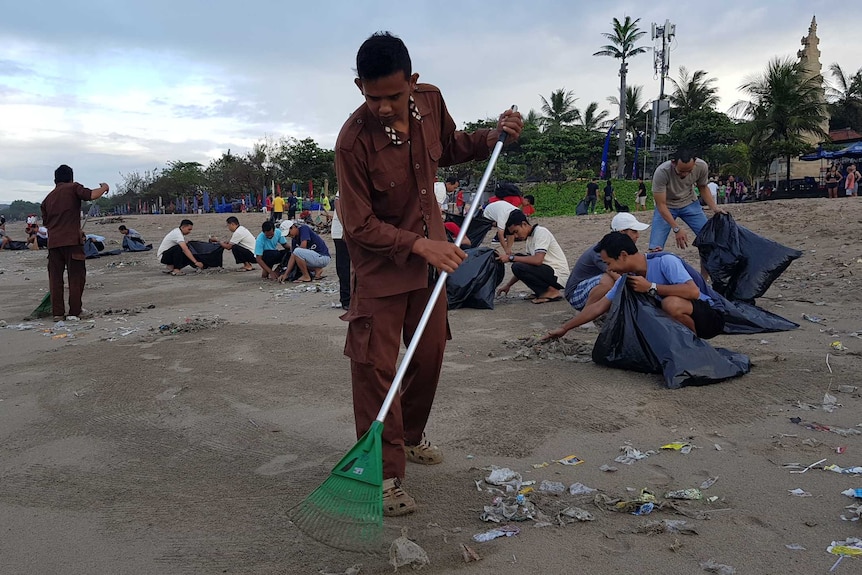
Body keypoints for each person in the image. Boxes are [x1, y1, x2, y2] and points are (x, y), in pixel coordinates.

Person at [335, 31, 522, 516]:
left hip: (430, 254)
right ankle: (385, 473)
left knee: (431, 351)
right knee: (375, 367)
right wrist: (419, 244)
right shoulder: (352, 142)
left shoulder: (430, 101)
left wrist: (490, 138)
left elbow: (454, 145)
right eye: (372, 97)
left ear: (412, 82)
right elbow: (358, 224)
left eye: (392, 96)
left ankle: (411, 435)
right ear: (359, 87)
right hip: (381, 265)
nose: (382, 106)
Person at [543, 231, 726, 342]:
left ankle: (693, 345)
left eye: (608, 263)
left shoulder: (665, 261)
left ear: (623, 255)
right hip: (679, 319)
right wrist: (565, 328)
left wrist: (651, 287)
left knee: (670, 303)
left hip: (708, 317)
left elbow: (693, 291)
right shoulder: (627, 278)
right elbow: (598, 307)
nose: (609, 268)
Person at [39, 165, 109, 320]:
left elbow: (48, 223)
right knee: (76, 277)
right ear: (71, 177)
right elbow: (92, 195)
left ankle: (57, 313)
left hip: (54, 243)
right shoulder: (73, 188)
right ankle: (75, 311)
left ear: (55, 180)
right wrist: (104, 187)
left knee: (55, 280)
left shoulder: (47, 199)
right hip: (72, 242)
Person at [563, 212, 650, 312]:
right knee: (610, 279)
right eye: (634, 231)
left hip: (590, 288)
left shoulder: (623, 249)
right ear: (622, 232)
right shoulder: (602, 251)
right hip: (576, 295)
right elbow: (617, 277)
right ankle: (587, 313)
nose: (638, 235)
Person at [649, 148, 725, 253]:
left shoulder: (701, 166)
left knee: (708, 240)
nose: (685, 175)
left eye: (689, 171)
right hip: (667, 206)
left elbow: (702, 187)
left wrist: (714, 208)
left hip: (689, 203)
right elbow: (661, 205)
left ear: (694, 163)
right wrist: (676, 229)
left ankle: (709, 269)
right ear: (673, 163)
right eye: (681, 171)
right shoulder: (662, 172)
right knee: (655, 248)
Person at [496, 210, 569, 304]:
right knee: (519, 260)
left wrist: (511, 258)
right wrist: (508, 285)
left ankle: (551, 292)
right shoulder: (530, 239)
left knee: (517, 263)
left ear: (524, 224)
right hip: (548, 272)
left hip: (558, 275)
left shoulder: (541, 232)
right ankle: (542, 291)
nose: (516, 236)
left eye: (516, 231)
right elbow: (526, 267)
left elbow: (538, 260)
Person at [331, 193, 351, 311]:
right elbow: (338, 204)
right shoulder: (345, 184)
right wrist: (345, 228)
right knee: (344, 267)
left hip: (353, 231)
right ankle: (346, 299)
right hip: (342, 233)